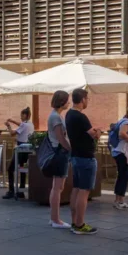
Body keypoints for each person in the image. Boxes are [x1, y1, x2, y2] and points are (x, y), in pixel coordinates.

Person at [64, 88, 99, 235]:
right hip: (85, 157)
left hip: (75, 156)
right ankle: (80, 224)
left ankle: (74, 221)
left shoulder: (69, 115)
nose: (88, 101)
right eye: (87, 99)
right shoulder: (81, 117)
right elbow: (93, 135)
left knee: (76, 189)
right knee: (84, 191)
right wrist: (98, 132)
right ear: (83, 99)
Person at [46, 91, 72, 229]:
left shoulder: (56, 116)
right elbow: (61, 138)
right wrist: (70, 149)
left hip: (59, 152)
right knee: (57, 187)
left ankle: (54, 218)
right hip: (60, 153)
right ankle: (56, 219)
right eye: (67, 100)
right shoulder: (56, 117)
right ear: (62, 101)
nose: (69, 103)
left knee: (58, 187)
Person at [3, 107, 34, 200]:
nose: (20, 117)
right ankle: (21, 190)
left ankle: (11, 191)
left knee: (10, 169)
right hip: (28, 149)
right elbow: (21, 125)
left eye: (22, 115)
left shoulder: (24, 125)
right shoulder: (30, 124)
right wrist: (13, 121)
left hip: (20, 149)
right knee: (22, 169)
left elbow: (12, 133)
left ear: (26, 115)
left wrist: (8, 126)